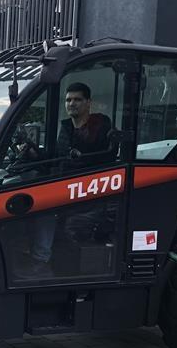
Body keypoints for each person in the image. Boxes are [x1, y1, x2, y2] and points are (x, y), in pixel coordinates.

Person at [23, 82, 113, 277]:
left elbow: (96, 158)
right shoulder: (66, 128)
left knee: (43, 208)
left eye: (77, 99)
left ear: (88, 103)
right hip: (65, 186)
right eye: (68, 100)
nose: (72, 103)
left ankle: (40, 260)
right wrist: (33, 154)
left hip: (89, 190)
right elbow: (56, 158)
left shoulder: (100, 126)